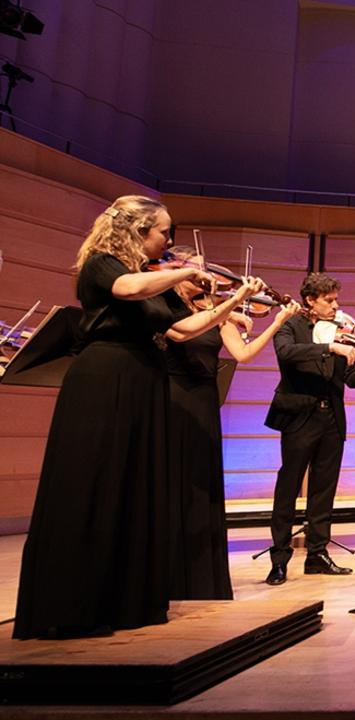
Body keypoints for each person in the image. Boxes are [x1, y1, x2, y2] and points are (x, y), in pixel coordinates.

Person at [13, 195, 232, 638]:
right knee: (96, 480)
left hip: (143, 382)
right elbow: (127, 290)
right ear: (137, 231)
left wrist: (231, 302)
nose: (168, 240)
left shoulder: (150, 280)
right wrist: (188, 270)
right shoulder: (101, 264)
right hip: (105, 377)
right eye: (164, 232)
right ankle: (74, 603)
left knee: (134, 485)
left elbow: (185, 328)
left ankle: (124, 601)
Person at [164, 246, 298, 600]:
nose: (204, 277)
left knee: (200, 483)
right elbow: (182, 334)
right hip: (172, 398)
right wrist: (235, 300)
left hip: (205, 400)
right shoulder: (168, 307)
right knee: (171, 481)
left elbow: (243, 354)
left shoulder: (216, 313)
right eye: (193, 270)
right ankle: (165, 571)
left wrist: (277, 324)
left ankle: (196, 574)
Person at [263, 273, 355, 586]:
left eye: (336, 299)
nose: (336, 306)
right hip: (300, 417)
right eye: (329, 300)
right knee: (288, 486)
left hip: (331, 420)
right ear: (311, 300)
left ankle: (317, 554)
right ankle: (280, 558)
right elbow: (286, 353)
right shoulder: (291, 325)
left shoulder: (340, 332)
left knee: (324, 489)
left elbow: (350, 378)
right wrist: (330, 347)